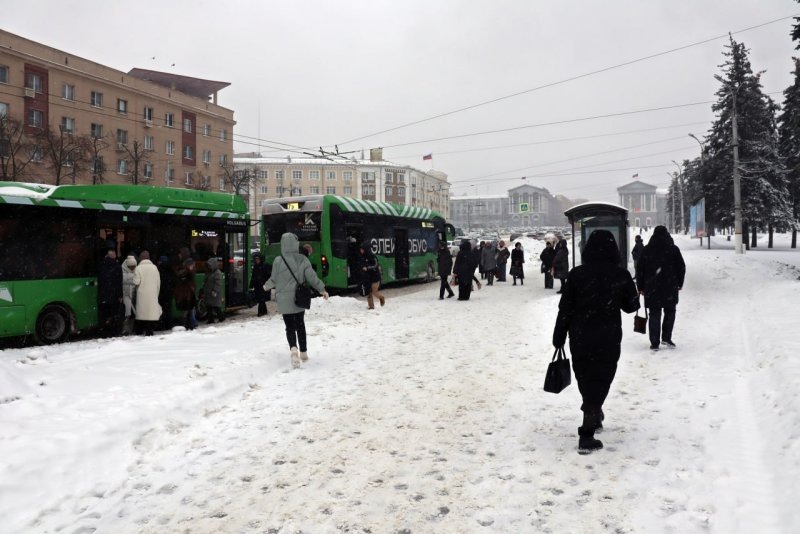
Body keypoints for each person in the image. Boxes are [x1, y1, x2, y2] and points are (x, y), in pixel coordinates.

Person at [552, 230, 640, 453]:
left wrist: (559, 335)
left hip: (580, 336)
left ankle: (594, 412)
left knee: (586, 377)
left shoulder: (577, 274)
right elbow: (631, 306)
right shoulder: (620, 274)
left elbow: (565, 309)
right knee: (602, 377)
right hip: (608, 336)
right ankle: (587, 432)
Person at [263, 232, 329, 368]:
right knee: (300, 324)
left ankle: (293, 349)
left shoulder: (278, 260)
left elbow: (273, 279)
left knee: (289, 326)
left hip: (283, 299)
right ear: (295, 244)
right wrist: (322, 289)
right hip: (298, 297)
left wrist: (265, 286)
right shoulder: (303, 259)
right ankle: (303, 352)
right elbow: (312, 277)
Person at [635, 225, 686, 351]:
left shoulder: (647, 250)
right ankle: (666, 338)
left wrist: (640, 286)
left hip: (652, 288)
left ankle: (654, 342)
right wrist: (679, 283)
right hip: (670, 287)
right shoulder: (673, 249)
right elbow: (681, 267)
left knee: (654, 313)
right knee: (670, 311)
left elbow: (640, 269)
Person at [132, 250, 162, 336]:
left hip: (142, 295)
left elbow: (136, 282)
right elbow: (158, 283)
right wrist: (156, 293)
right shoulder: (155, 268)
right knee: (150, 314)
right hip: (153, 294)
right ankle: (150, 330)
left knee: (142, 314)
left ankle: (141, 331)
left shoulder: (138, 268)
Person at [97, 249, 123, 338]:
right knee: (113, 315)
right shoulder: (117, 266)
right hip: (113, 296)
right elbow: (119, 282)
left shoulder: (101, 265)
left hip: (103, 295)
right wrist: (120, 295)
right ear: (114, 256)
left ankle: (104, 332)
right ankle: (113, 332)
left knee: (104, 315)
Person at [357, 242, 385, 310]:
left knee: (374, 291)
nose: (361, 251)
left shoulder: (372, 256)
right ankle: (371, 306)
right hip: (367, 278)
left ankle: (381, 297)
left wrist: (367, 268)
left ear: (366, 249)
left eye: (362, 249)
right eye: (360, 249)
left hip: (375, 278)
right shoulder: (362, 257)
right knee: (368, 292)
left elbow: (376, 265)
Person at [174, 259, 197, 330]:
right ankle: (188, 324)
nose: (193, 267)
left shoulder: (181, 273)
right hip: (188, 294)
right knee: (188, 309)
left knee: (187, 310)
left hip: (183, 294)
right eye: (192, 265)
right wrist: (192, 287)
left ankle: (188, 323)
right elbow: (191, 284)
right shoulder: (188, 273)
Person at [157, 255, 177, 331]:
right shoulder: (170, 269)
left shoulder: (159, 270)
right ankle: (168, 324)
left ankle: (161, 325)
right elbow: (174, 281)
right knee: (168, 309)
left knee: (161, 309)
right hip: (169, 293)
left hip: (161, 293)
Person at [203, 257, 225, 324]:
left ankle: (221, 317)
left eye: (210, 265)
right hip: (209, 292)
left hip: (214, 293)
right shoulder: (209, 272)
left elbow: (218, 283)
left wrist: (215, 290)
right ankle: (211, 319)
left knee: (216, 307)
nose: (209, 266)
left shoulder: (217, 273)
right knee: (209, 307)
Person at [121, 255, 138, 335]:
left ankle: (129, 329)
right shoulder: (122, 270)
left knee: (133, 315)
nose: (132, 268)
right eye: (131, 266)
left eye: (134, 266)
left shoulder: (136, 270)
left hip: (134, 295)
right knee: (127, 314)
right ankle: (125, 330)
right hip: (126, 296)